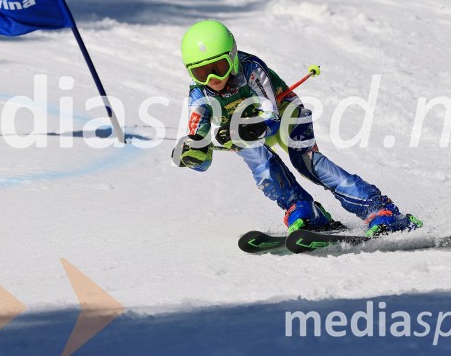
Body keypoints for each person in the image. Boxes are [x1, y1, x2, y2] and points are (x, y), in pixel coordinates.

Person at [171, 20, 422, 236]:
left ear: (233, 56)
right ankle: (303, 208)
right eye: (201, 72)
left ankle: (379, 209)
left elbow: (271, 117)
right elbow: (201, 156)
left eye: (219, 67)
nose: (212, 79)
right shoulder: (199, 96)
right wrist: (192, 153)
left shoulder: (251, 70)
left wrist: (245, 129)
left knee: (306, 162)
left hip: (286, 114)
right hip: (245, 132)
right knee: (262, 166)